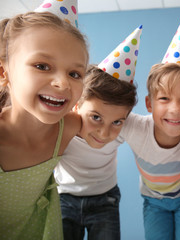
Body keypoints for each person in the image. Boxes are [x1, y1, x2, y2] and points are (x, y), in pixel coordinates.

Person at [0, 11, 88, 240]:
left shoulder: (69, 127)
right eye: (42, 66)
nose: (62, 83)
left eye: (75, 73)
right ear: (3, 72)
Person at [118, 13, 180, 239]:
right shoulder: (134, 127)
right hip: (153, 201)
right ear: (149, 104)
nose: (175, 110)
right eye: (164, 99)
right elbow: (102, 118)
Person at [54, 26, 141, 240]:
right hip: (64, 198)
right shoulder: (60, 126)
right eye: (95, 117)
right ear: (75, 106)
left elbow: (158, 129)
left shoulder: (126, 127)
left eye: (117, 121)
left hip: (105, 200)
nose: (104, 132)